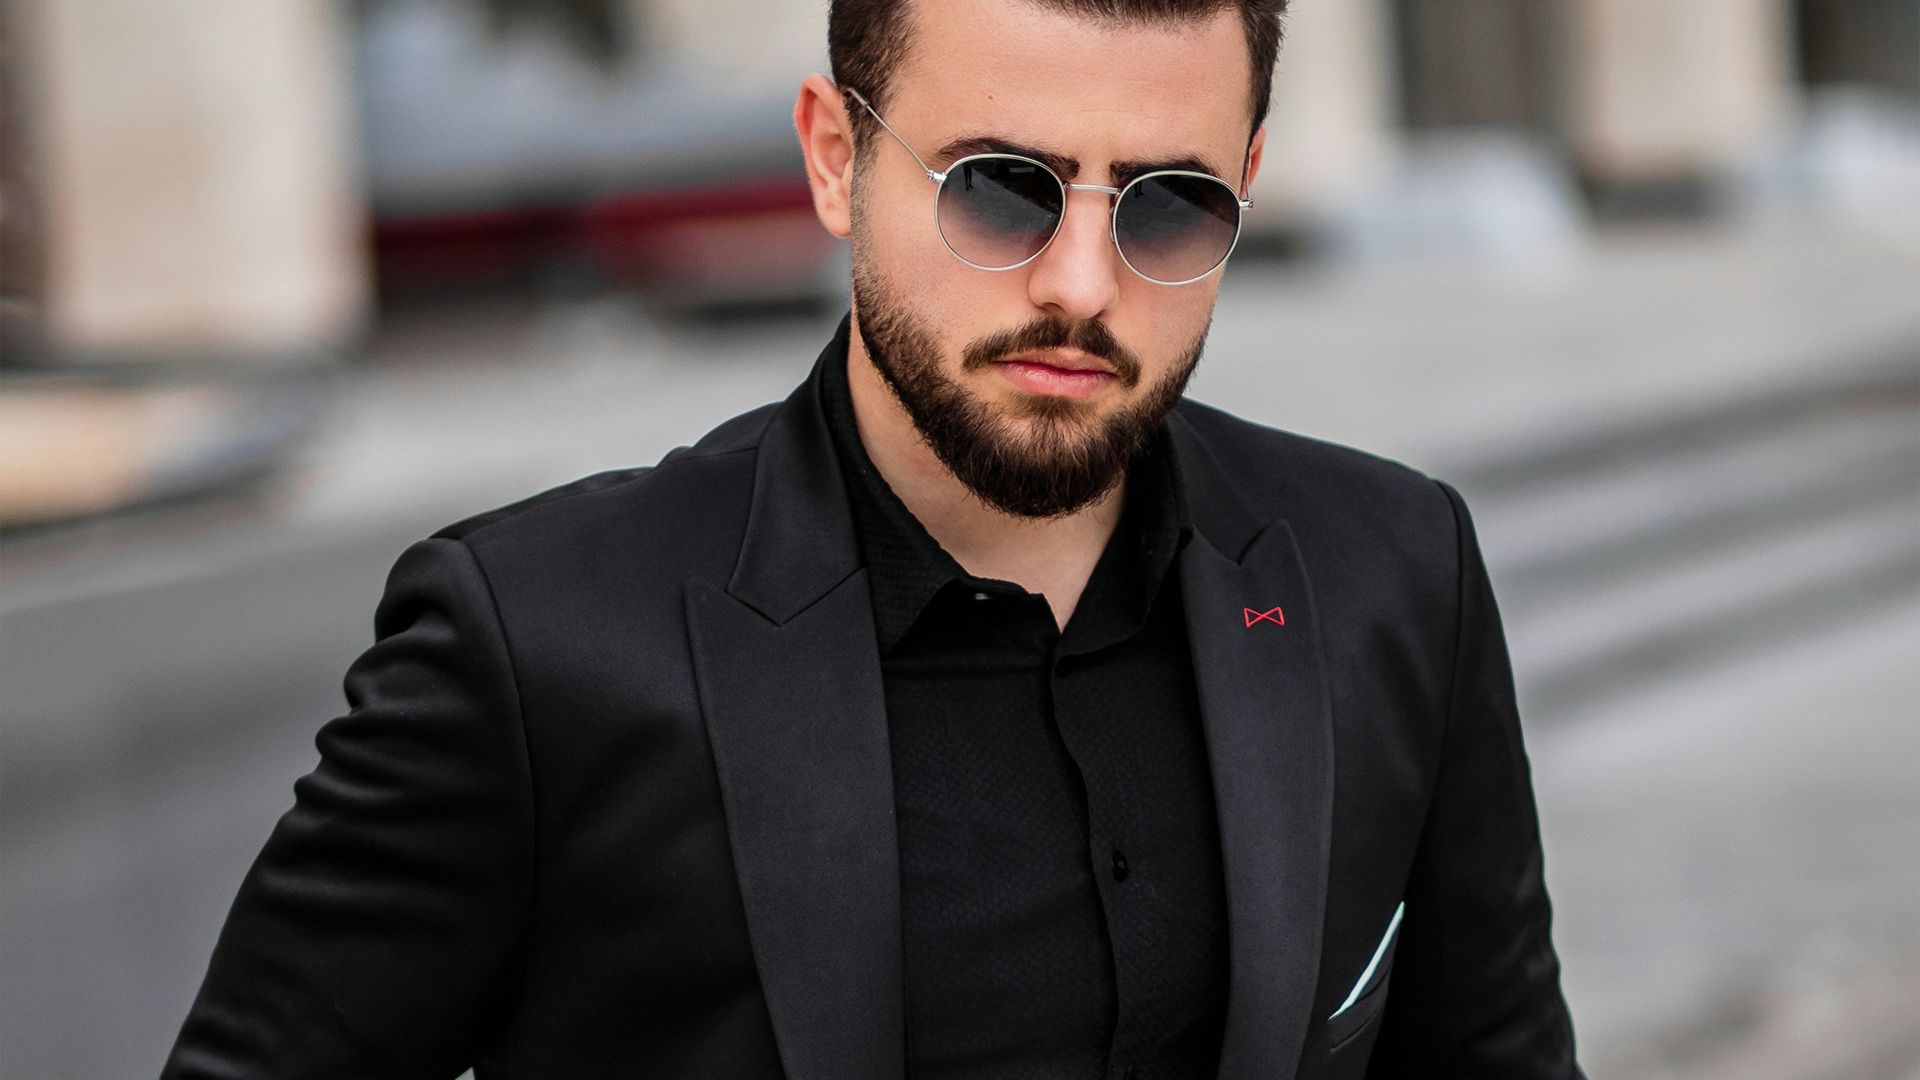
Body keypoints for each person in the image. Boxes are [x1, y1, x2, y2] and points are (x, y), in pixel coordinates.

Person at [162, 0, 1584, 1077]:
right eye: (1001, 188)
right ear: (836, 158)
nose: (1081, 287)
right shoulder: (536, 649)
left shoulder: (1391, 574)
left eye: (1170, 206)